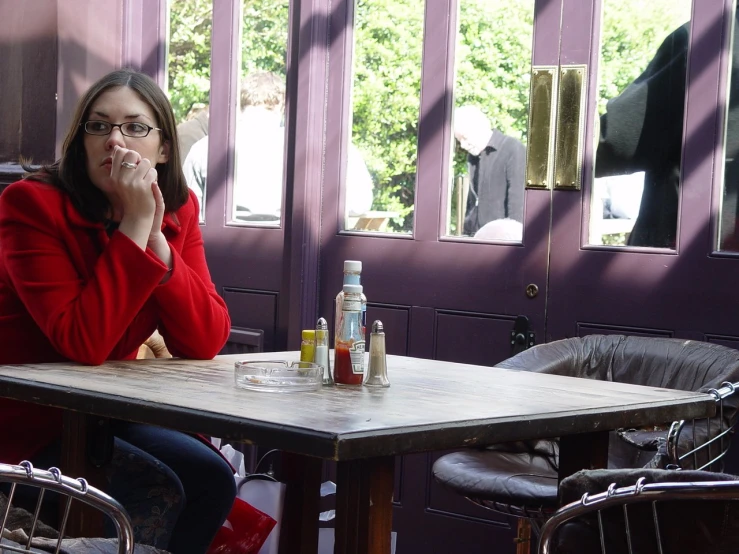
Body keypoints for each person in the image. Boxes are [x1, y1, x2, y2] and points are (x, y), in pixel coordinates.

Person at [0, 68, 236, 553]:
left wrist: (158, 244)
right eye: (98, 126)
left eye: (134, 127)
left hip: (102, 414)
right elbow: (83, 343)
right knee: (155, 489)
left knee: (211, 476)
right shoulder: (29, 206)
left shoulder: (178, 208)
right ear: (80, 141)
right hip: (25, 418)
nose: (114, 140)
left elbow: (206, 339)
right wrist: (134, 227)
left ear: (164, 148)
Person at [184, 71, 374, 221]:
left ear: (239, 104)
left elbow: (186, 212)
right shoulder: (319, 147)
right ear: (282, 106)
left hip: (218, 258)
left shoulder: (203, 149)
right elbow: (359, 202)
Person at [454, 105, 525, 236]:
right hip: (478, 242)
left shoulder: (512, 149)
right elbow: (472, 205)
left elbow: (518, 205)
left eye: (464, 137)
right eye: (459, 140)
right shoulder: (474, 157)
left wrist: (514, 244)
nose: (463, 145)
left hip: (503, 242)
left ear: (479, 127)